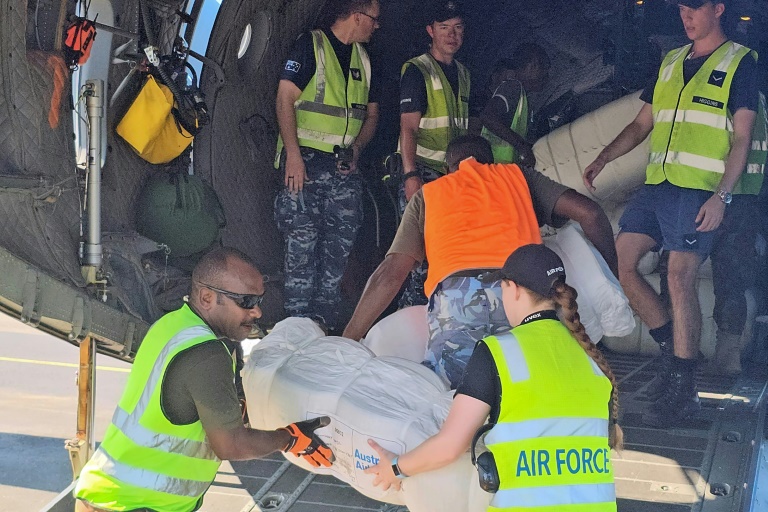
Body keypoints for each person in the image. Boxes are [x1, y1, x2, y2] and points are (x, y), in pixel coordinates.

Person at [582, 0, 762, 427]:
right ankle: (675, 353)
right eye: (682, 8)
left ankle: (685, 390)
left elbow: (742, 138)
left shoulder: (740, 63)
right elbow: (642, 124)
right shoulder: (670, 62)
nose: (686, 16)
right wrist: (604, 157)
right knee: (621, 265)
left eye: (695, 8)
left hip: (698, 189)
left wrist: (722, 197)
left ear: (718, 9)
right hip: (659, 184)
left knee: (679, 276)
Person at [363, 244, 622, 512]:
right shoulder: (591, 357)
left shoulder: (499, 352)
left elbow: (449, 446)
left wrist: (395, 468)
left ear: (514, 289)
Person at [343, 135, 618, 388]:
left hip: (457, 302)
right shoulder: (518, 176)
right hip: (522, 295)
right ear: (493, 162)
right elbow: (590, 214)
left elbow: (390, 274)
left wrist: (347, 339)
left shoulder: (429, 194)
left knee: (458, 396)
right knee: (528, 385)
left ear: (448, 167)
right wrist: (611, 280)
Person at [74, 248, 334, 512]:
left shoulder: (172, 324)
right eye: (245, 301)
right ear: (207, 297)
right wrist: (289, 438)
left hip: (107, 495)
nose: (256, 312)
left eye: (259, 300)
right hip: (133, 505)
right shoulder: (207, 353)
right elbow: (231, 445)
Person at [274, 0, 381, 332]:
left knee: (339, 244)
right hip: (305, 161)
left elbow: (372, 115)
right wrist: (292, 153)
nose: (376, 27)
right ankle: (295, 320)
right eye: (374, 20)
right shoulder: (311, 46)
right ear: (357, 16)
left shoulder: (364, 59)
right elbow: (284, 99)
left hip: (342, 167)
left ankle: (323, 320)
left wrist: (358, 149)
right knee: (301, 240)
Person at [396, 0, 471, 307]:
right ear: (431, 31)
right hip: (425, 172)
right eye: (444, 28)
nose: (452, 35)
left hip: (451, 177)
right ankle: (408, 316)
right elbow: (408, 128)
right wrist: (411, 174)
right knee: (416, 258)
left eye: (457, 28)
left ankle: (430, 316)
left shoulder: (464, 73)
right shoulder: (418, 70)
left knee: (444, 253)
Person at [478, 43, 551, 167]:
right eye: (543, 67)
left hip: (502, 166)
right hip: (494, 164)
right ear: (530, 66)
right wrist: (522, 147)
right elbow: (487, 117)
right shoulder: (512, 88)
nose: (546, 75)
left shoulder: (523, 98)